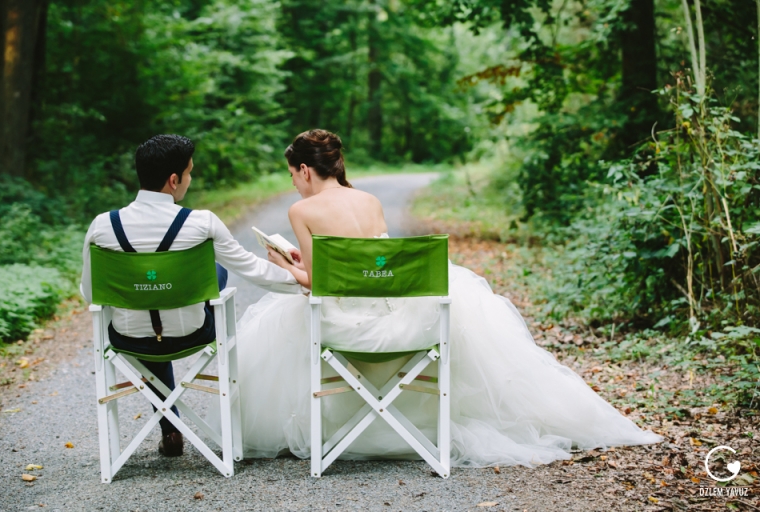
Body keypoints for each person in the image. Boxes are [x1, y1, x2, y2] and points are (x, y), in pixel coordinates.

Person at [225, 129, 661, 467]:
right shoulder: (370, 200)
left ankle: (340, 420)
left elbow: (322, 286)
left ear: (304, 170)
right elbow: (373, 269)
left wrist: (286, 265)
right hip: (399, 318)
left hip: (346, 326)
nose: (294, 185)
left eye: (292, 175)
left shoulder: (302, 211)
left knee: (280, 320)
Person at [81, 134, 301, 457]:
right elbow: (252, 269)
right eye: (189, 172)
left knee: (148, 315)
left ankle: (170, 428)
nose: (191, 178)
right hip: (194, 332)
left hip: (128, 338)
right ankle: (186, 430)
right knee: (217, 272)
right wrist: (301, 282)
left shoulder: (102, 226)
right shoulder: (201, 223)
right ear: (174, 180)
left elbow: (90, 293)